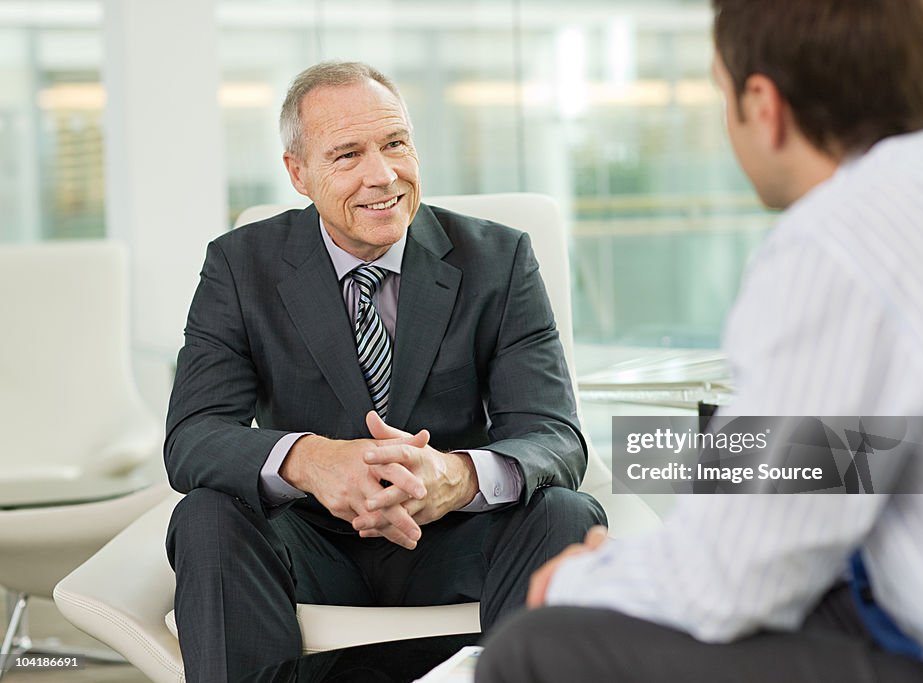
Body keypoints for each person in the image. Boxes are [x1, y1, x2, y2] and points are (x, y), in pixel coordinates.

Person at [476, 1, 923, 681]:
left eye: (721, 92)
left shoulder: (837, 238)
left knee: (534, 646)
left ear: (763, 104)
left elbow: (734, 573)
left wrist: (580, 579)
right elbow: (849, 468)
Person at [163, 61, 606, 682]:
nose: (383, 175)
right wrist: (312, 461)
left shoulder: (500, 259)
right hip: (310, 545)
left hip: (454, 540)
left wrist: (454, 476)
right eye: (347, 155)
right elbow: (193, 436)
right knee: (206, 513)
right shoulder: (240, 266)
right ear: (299, 173)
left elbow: (554, 435)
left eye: (395, 143)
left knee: (565, 512)